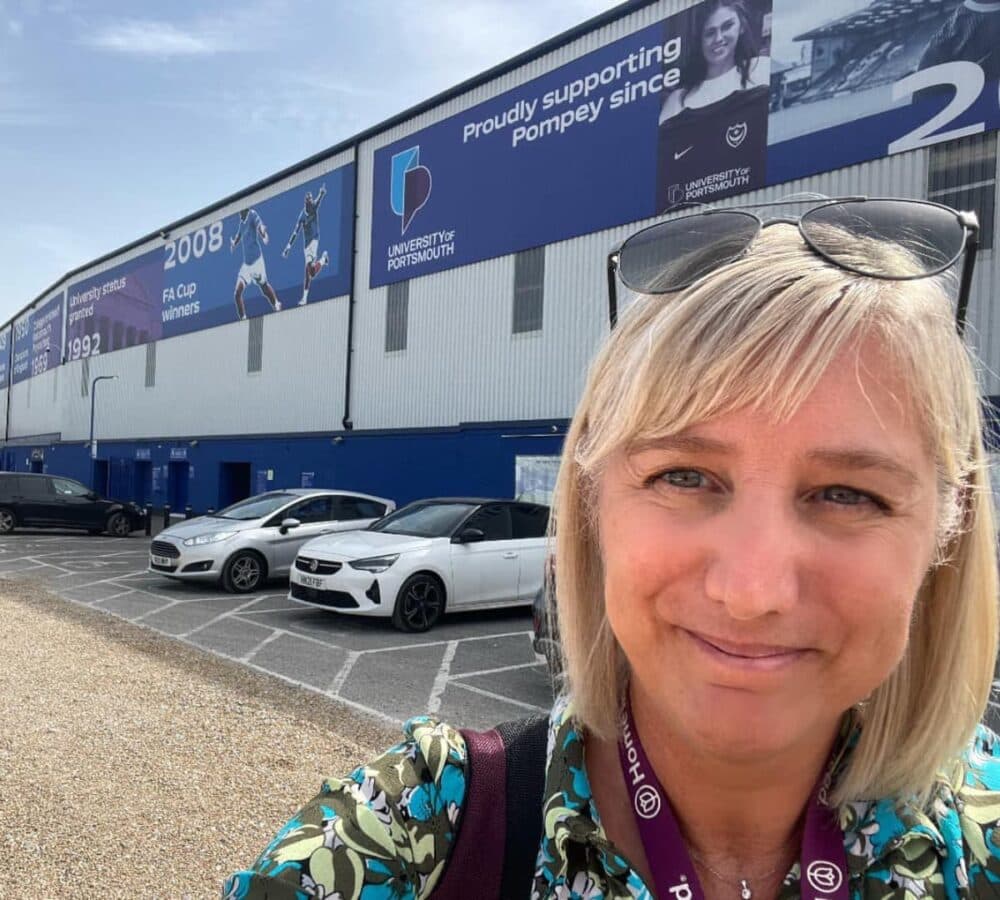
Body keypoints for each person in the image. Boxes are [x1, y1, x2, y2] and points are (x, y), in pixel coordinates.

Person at [223, 198, 1000, 899]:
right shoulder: (417, 829)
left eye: (848, 494)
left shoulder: (983, 834)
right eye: (686, 475)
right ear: (592, 505)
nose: (752, 589)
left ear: (947, 527)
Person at [660, 0, 768, 122]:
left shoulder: (761, 69)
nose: (718, 38)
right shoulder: (677, 101)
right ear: (699, 40)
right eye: (710, 33)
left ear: (741, 26)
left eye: (727, 26)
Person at [282, 184, 330, 307]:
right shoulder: (302, 216)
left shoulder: (314, 206)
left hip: (314, 240)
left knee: (310, 272)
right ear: (305, 202)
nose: (310, 202)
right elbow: (295, 232)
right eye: (308, 200)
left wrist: (322, 192)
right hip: (306, 245)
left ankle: (323, 259)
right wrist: (288, 247)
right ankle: (304, 299)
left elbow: (319, 199)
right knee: (308, 274)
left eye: (311, 199)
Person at [231, 207, 282, 321]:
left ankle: (277, 304)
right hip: (246, 265)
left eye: (242, 210)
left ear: (246, 210)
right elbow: (239, 235)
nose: (240, 212)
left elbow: (259, 225)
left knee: (264, 288)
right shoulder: (242, 222)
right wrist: (234, 243)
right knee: (237, 293)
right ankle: (243, 319)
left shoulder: (252, 214)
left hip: (257, 261)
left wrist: (263, 234)